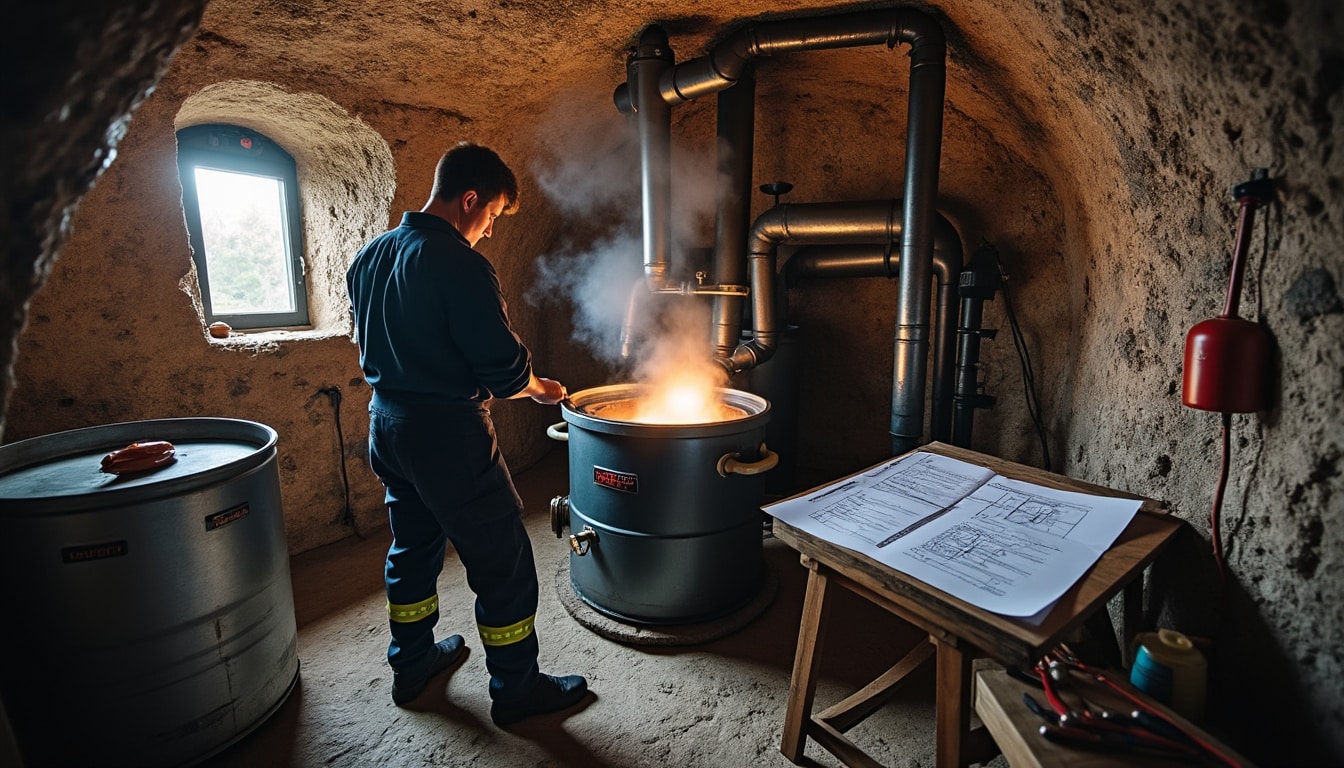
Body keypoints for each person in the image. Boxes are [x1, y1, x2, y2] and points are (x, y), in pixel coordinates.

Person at [346, 141, 588, 726]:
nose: (487, 231)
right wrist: (538, 388)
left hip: (388, 425)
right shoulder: (458, 262)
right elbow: (502, 370)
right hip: (447, 434)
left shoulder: (370, 255)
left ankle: (413, 660)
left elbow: (371, 340)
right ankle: (516, 688)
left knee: (412, 545)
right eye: (491, 217)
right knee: (502, 559)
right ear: (470, 198)